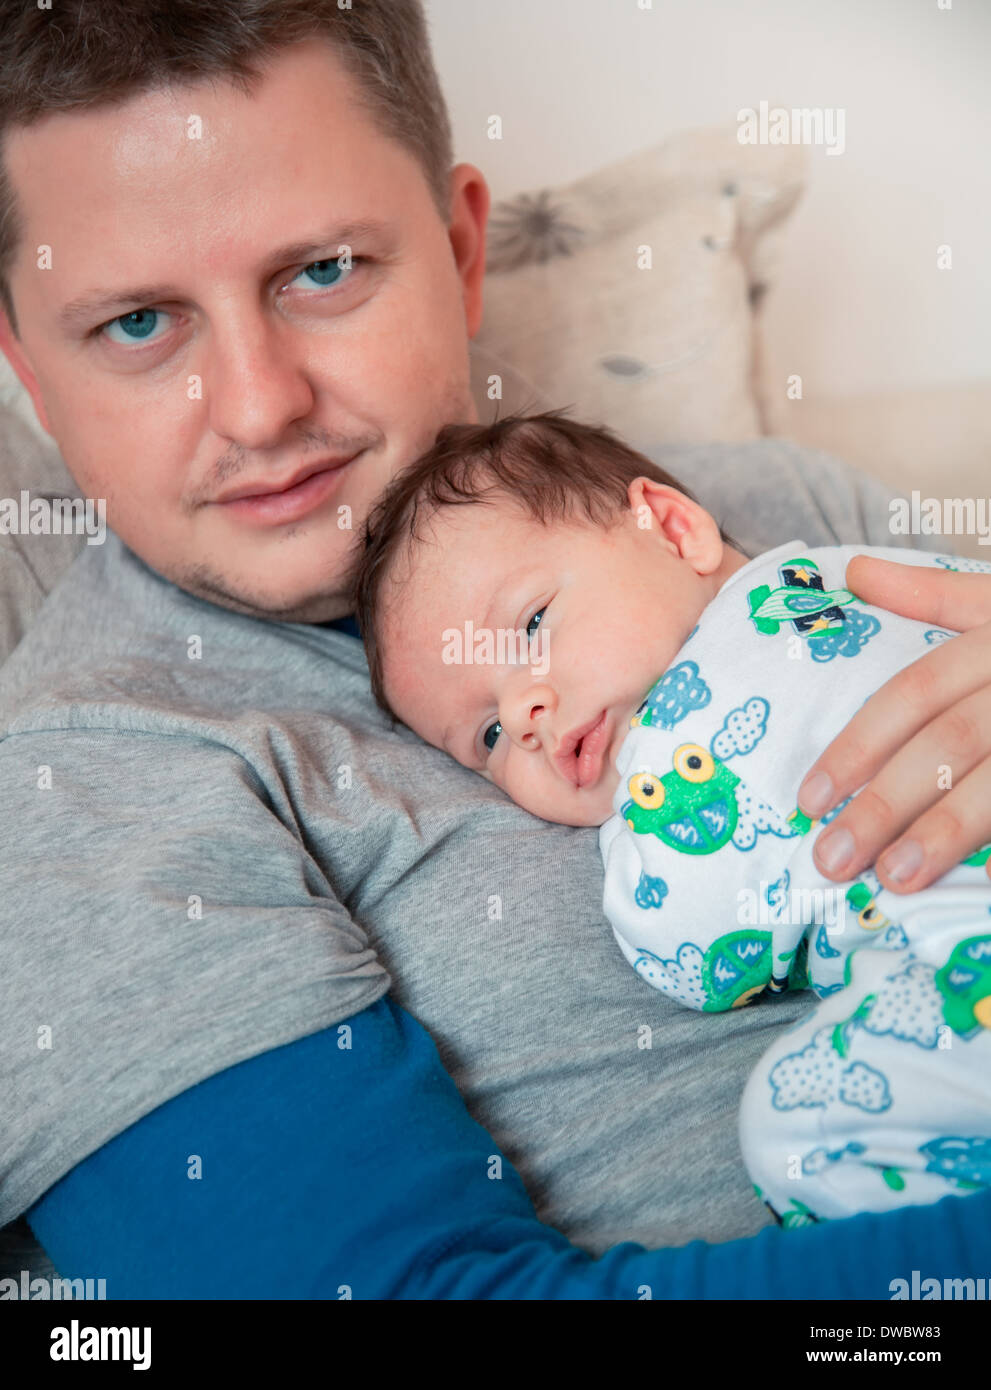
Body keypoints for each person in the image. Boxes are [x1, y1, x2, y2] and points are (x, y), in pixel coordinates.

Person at [2, 1, 990, 1298]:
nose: (259, 405)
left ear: (463, 247)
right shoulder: (85, 797)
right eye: (138, 323)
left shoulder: (776, 511)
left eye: (321, 271)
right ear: (25, 367)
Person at [350, 409, 991, 1229]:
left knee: (802, 1126)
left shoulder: (675, 743)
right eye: (488, 737)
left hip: (961, 936)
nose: (527, 711)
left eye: (531, 626)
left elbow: (699, 957)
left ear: (672, 526)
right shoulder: (850, 568)